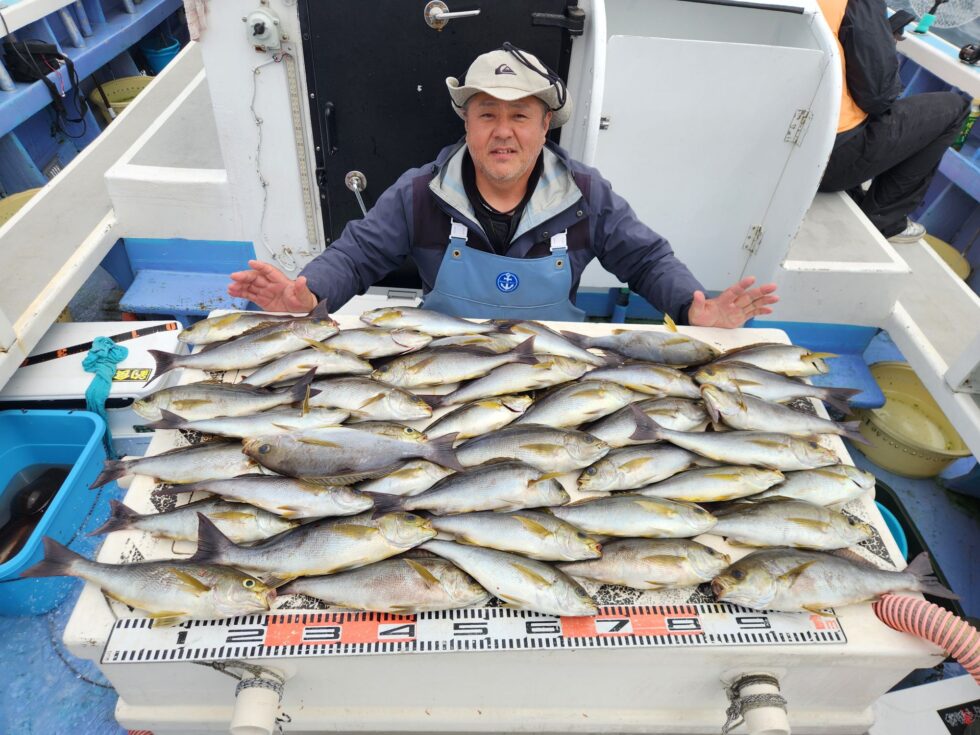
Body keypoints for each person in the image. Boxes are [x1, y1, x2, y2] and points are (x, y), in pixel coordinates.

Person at [229, 44, 778, 326]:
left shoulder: (587, 195)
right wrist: (308, 293)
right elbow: (356, 256)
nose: (503, 132)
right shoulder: (419, 193)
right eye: (487, 114)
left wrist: (692, 306)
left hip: (552, 369)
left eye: (520, 116)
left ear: (545, 126)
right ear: (466, 123)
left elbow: (647, 260)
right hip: (442, 372)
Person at [816, 0, 970, 243]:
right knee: (955, 108)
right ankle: (883, 220)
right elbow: (880, 97)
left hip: (772, 150)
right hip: (825, 161)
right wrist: (886, 43)